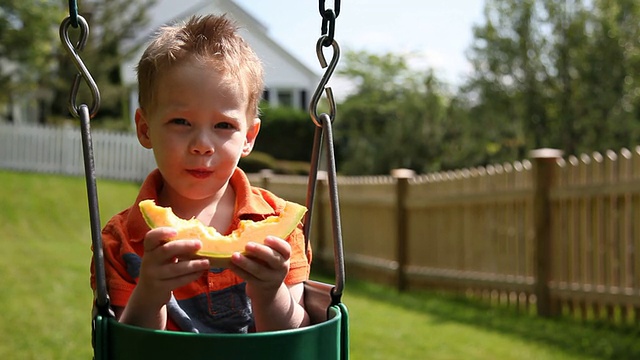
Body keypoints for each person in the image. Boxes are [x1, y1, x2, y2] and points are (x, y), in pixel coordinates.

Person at [90, 14, 311, 333]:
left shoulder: (278, 226)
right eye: (181, 122)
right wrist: (150, 293)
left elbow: (297, 337)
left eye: (224, 126)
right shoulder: (121, 241)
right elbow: (125, 349)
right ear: (144, 128)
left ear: (248, 138)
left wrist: (270, 292)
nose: (202, 145)